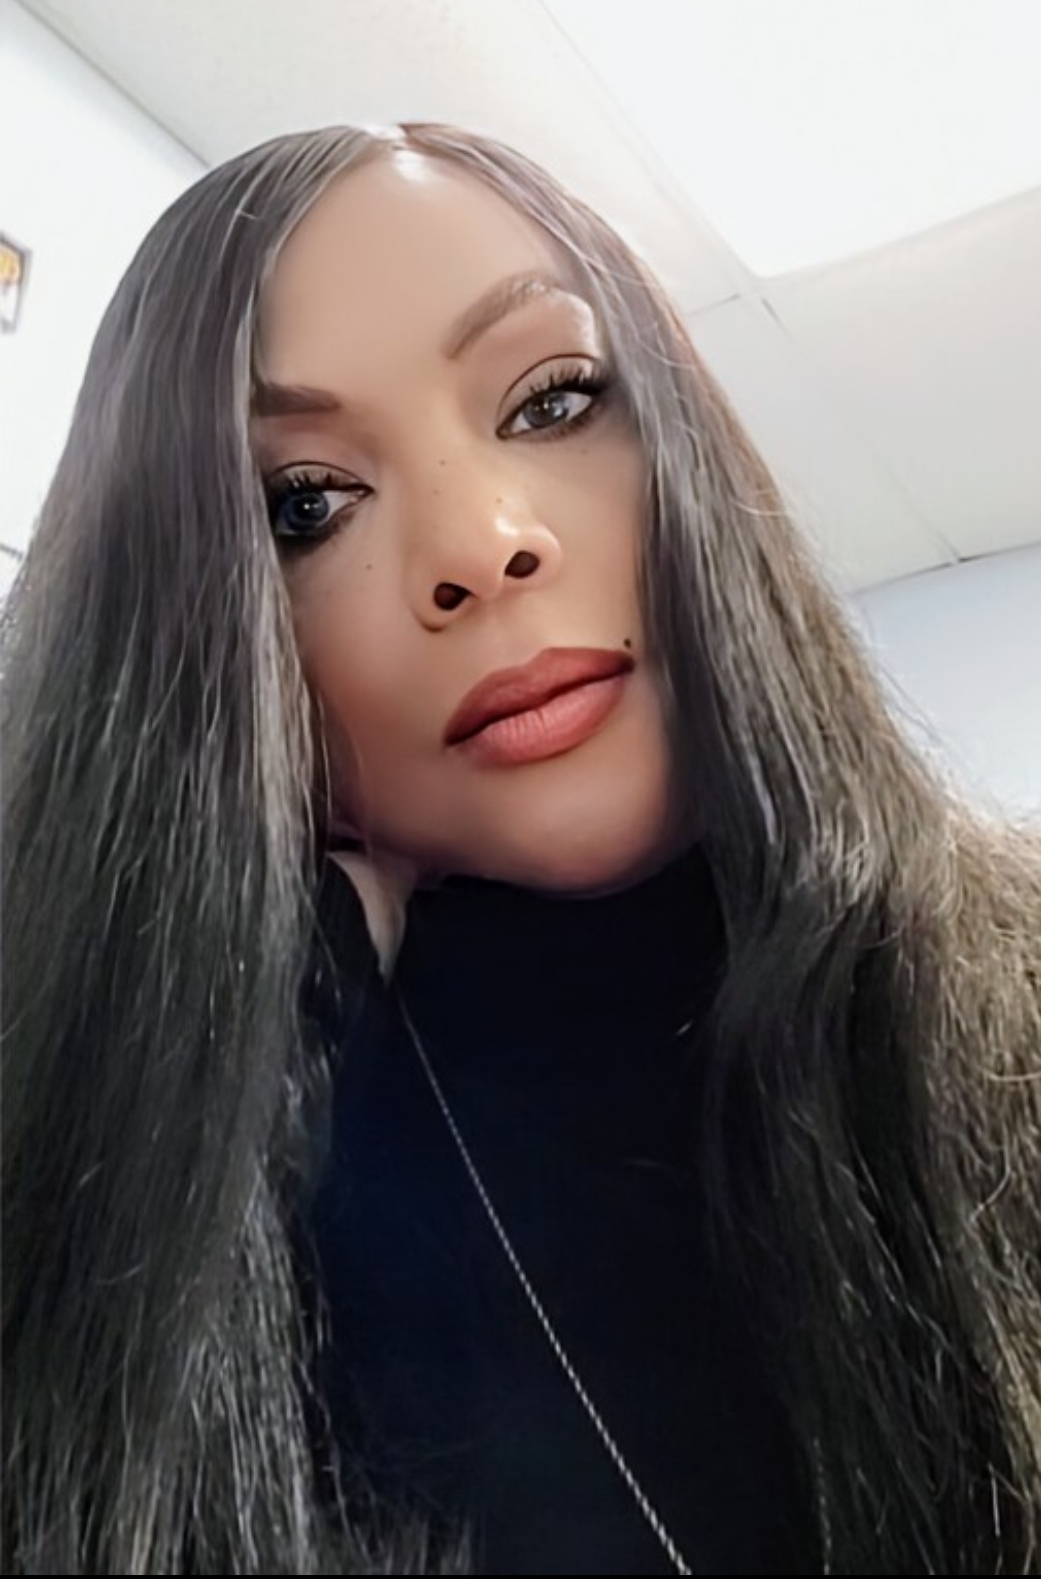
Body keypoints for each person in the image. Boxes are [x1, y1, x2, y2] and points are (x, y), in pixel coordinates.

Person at [2, 122, 1039, 1577]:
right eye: (305, 505)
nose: (480, 547)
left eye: (551, 400)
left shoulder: (1009, 1000)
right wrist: (294, 989)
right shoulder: (167, 1205)